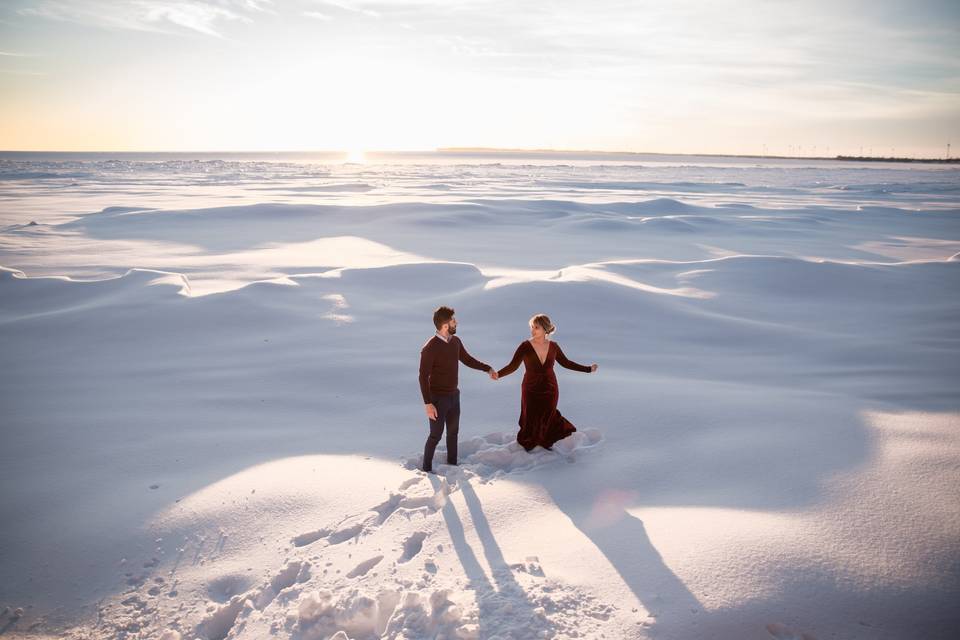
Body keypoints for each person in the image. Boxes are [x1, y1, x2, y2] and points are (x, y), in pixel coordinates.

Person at [496, 314, 597, 451]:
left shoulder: (554, 346)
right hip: (530, 387)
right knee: (531, 414)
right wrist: (498, 374)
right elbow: (513, 366)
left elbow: (566, 363)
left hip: (550, 387)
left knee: (547, 414)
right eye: (532, 327)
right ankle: (533, 441)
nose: (533, 330)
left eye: (536, 327)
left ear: (545, 329)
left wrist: (588, 369)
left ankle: (545, 440)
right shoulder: (525, 346)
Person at [418, 306, 498, 473]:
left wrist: (487, 368)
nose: (457, 322)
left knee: (453, 433)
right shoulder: (430, 348)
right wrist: (428, 404)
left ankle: (453, 465)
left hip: (454, 396)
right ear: (446, 325)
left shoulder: (455, 341)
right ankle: (426, 470)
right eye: (454, 320)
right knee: (435, 436)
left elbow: (467, 359)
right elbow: (422, 377)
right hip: (438, 399)